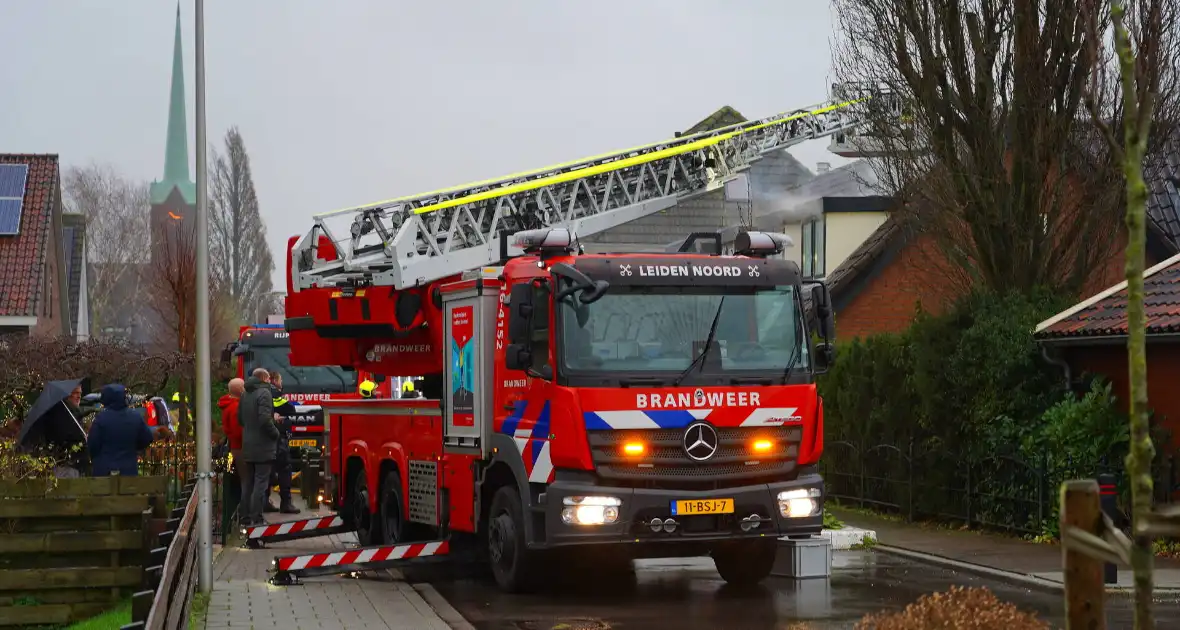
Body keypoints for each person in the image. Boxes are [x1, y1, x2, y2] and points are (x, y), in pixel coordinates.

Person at [239, 368, 280, 526]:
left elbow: (241, 419)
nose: (270, 380)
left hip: (248, 444)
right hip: (263, 445)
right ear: (263, 378)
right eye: (269, 377)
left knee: (248, 482)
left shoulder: (245, 393)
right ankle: (256, 518)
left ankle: (245, 517)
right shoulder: (264, 393)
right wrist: (275, 433)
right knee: (261, 483)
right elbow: (264, 420)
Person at [88, 384, 155, 477]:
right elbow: (147, 438)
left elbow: (93, 445)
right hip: (129, 471)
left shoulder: (100, 419)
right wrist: (133, 447)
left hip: (104, 472)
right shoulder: (135, 417)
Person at [266, 373, 301, 514]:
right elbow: (289, 409)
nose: (282, 382)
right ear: (274, 380)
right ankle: (286, 503)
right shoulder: (273, 393)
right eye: (281, 380)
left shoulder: (255, 393)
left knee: (267, 471)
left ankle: (264, 502)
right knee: (284, 470)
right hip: (278, 439)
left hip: (266, 440)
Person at [218, 378, 245, 475]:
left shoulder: (229, 405)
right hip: (241, 448)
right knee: (246, 480)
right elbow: (238, 432)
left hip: (235, 447)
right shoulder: (236, 407)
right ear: (240, 389)